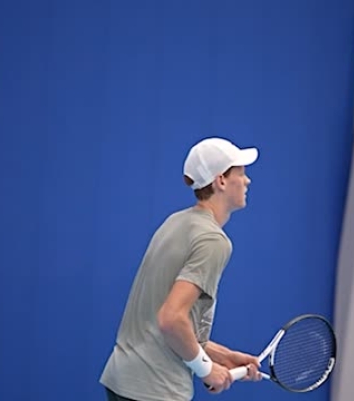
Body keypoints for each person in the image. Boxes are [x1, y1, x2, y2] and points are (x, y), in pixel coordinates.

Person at [99, 137, 263, 401]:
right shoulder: (213, 240)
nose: (247, 180)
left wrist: (225, 357)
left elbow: (162, 324)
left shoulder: (175, 222)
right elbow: (171, 319)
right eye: (241, 173)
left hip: (123, 381)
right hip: (155, 391)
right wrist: (206, 369)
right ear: (221, 181)